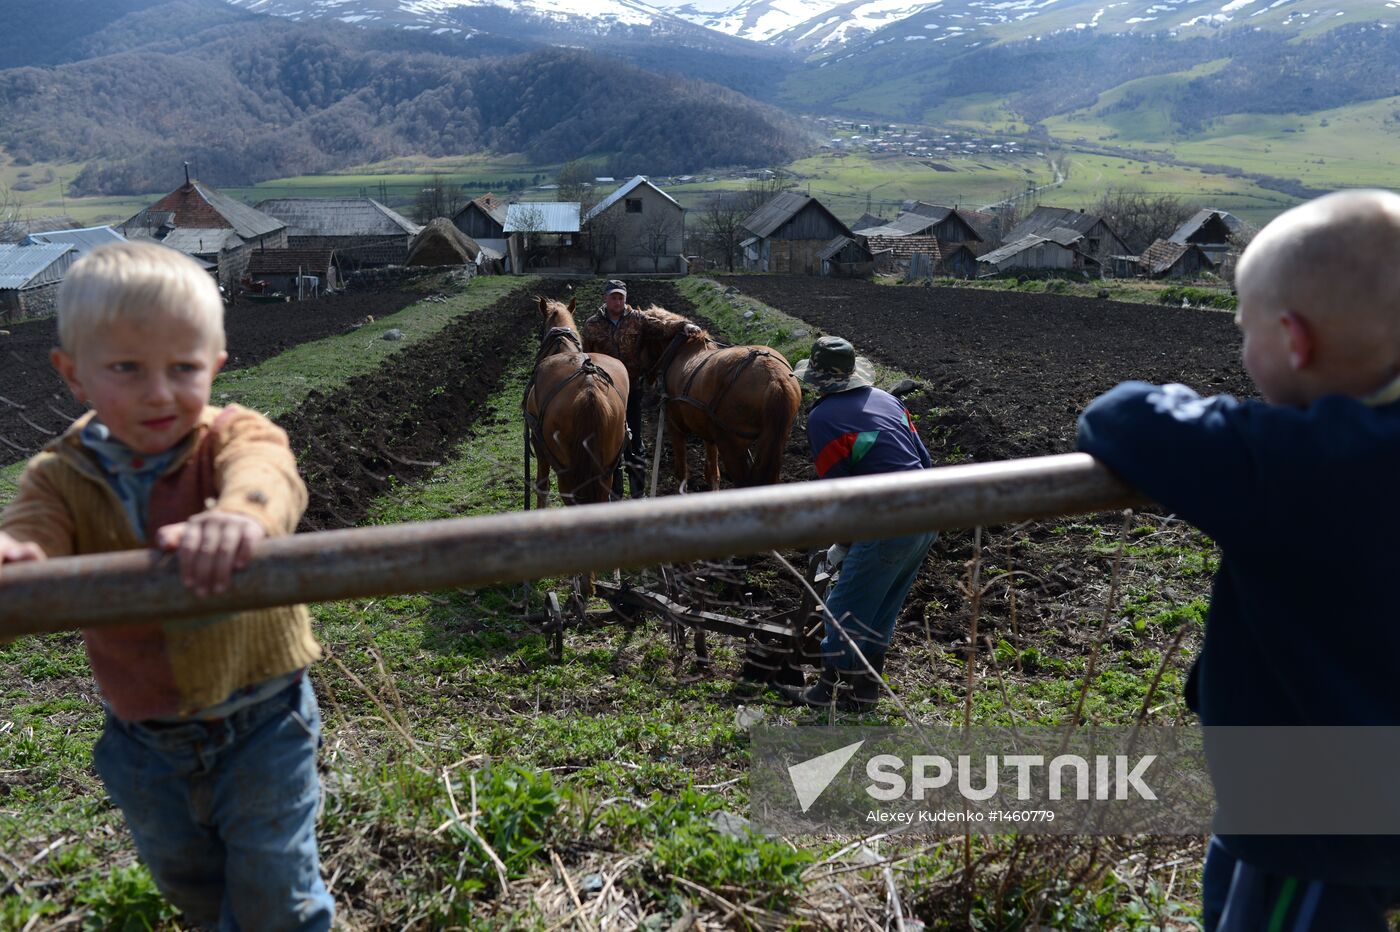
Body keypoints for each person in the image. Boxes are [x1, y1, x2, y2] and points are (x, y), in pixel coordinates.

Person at [1077, 190, 1400, 931]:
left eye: (1241, 330)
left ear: (1293, 341)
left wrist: (1233, 415)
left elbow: (1123, 414)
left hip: (1317, 831)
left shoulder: (1300, 461)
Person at [0, 242, 333, 930]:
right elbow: (34, 529)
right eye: (126, 368)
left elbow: (270, 475)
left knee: (277, 894)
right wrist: (17, 555)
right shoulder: (58, 476)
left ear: (214, 366)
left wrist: (241, 517)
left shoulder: (231, 438)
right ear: (74, 376)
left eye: (184, 369)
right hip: (143, 739)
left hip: (264, 716)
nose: (159, 392)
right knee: (191, 885)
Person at [784, 336, 936, 710]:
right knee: (882, 605)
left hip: (886, 521)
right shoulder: (889, 400)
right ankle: (864, 692)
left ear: (816, 381)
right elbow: (925, 460)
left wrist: (843, 542)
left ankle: (825, 691)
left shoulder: (823, 418)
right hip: (931, 511)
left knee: (845, 605)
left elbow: (838, 491)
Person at [581, 279, 648, 498]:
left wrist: (684, 325)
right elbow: (585, 356)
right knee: (610, 444)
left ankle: (638, 494)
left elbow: (662, 326)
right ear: (605, 298)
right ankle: (615, 494)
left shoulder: (638, 320)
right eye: (613, 297)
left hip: (632, 390)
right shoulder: (592, 325)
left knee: (635, 442)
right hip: (605, 393)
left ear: (625, 299)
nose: (617, 301)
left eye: (621, 297)